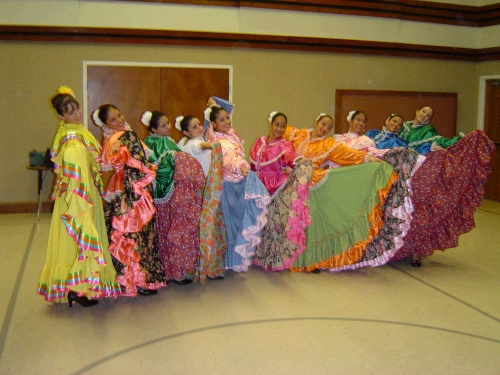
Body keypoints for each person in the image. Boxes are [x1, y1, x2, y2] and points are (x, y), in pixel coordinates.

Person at [283, 113, 401, 273]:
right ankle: (282, 255)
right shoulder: (298, 134)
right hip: (285, 180)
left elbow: (345, 154)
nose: (324, 128)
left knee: (309, 221)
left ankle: (308, 259)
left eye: (328, 127)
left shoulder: (328, 144)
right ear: (316, 121)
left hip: (310, 183)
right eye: (323, 124)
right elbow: (279, 131)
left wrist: (366, 158)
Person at [37, 86, 121, 307]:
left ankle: (80, 287)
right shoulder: (72, 139)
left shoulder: (76, 132)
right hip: (79, 197)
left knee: (77, 239)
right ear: (61, 115)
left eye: (76, 108)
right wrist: (81, 201)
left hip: (84, 193)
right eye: (70, 111)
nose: (77, 114)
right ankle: (78, 289)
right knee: (80, 238)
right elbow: (74, 171)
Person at [389, 106, 495, 266]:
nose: (424, 115)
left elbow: (440, 141)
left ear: (429, 120)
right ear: (416, 111)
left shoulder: (427, 131)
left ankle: (414, 251)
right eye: (423, 111)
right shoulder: (403, 126)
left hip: (417, 173)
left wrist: (461, 140)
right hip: (396, 172)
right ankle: (393, 247)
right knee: (394, 208)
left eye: (428, 115)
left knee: (416, 208)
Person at [93, 104, 165, 297]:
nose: (119, 120)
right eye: (113, 119)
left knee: (124, 233)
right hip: (132, 188)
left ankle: (126, 278)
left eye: (119, 115)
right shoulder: (126, 136)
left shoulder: (110, 139)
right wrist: (150, 172)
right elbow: (140, 163)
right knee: (136, 232)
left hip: (120, 190)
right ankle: (137, 280)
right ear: (106, 124)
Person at [141, 111, 206, 285]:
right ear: (153, 128)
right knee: (163, 228)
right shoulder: (150, 143)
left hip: (173, 191)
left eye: (168, 123)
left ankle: (176, 268)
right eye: (163, 125)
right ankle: (166, 269)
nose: (168, 127)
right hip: (162, 192)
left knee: (173, 227)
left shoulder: (170, 142)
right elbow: (156, 166)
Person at [205, 101, 270, 272]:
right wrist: (241, 166)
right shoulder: (218, 141)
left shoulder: (228, 136)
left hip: (236, 183)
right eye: (221, 120)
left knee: (236, 221)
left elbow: (232, 136)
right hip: (229, 186)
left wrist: (213, 105)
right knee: (231, 223)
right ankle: (228, 260)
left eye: (227, 118)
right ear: (213, 124)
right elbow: (228, 157)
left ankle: (233, 261)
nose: (227, 122)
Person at [250, 111, 313, 271]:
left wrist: (299, 160)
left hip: (276, 185)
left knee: (274, 223)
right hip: (258, 186)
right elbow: (253, 165)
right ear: (270, 124)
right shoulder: (260, 142)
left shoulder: (284, 144)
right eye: (277, 124)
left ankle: (274, 259)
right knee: (259, 222)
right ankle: (258, 256)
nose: (279, 128)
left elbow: (290, 157)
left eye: (283, 126)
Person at [177, 114, 227, 282]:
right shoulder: (192, 144)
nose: (199, 128)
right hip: (202, 192)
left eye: (199, 125)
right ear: (185, 132)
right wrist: (214, 145)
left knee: (203, 228)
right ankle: (207, 266)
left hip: (199, 190)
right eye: (194, 127)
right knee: (207, 228)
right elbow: (202, 145)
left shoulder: (183, 143)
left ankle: (205, 266)